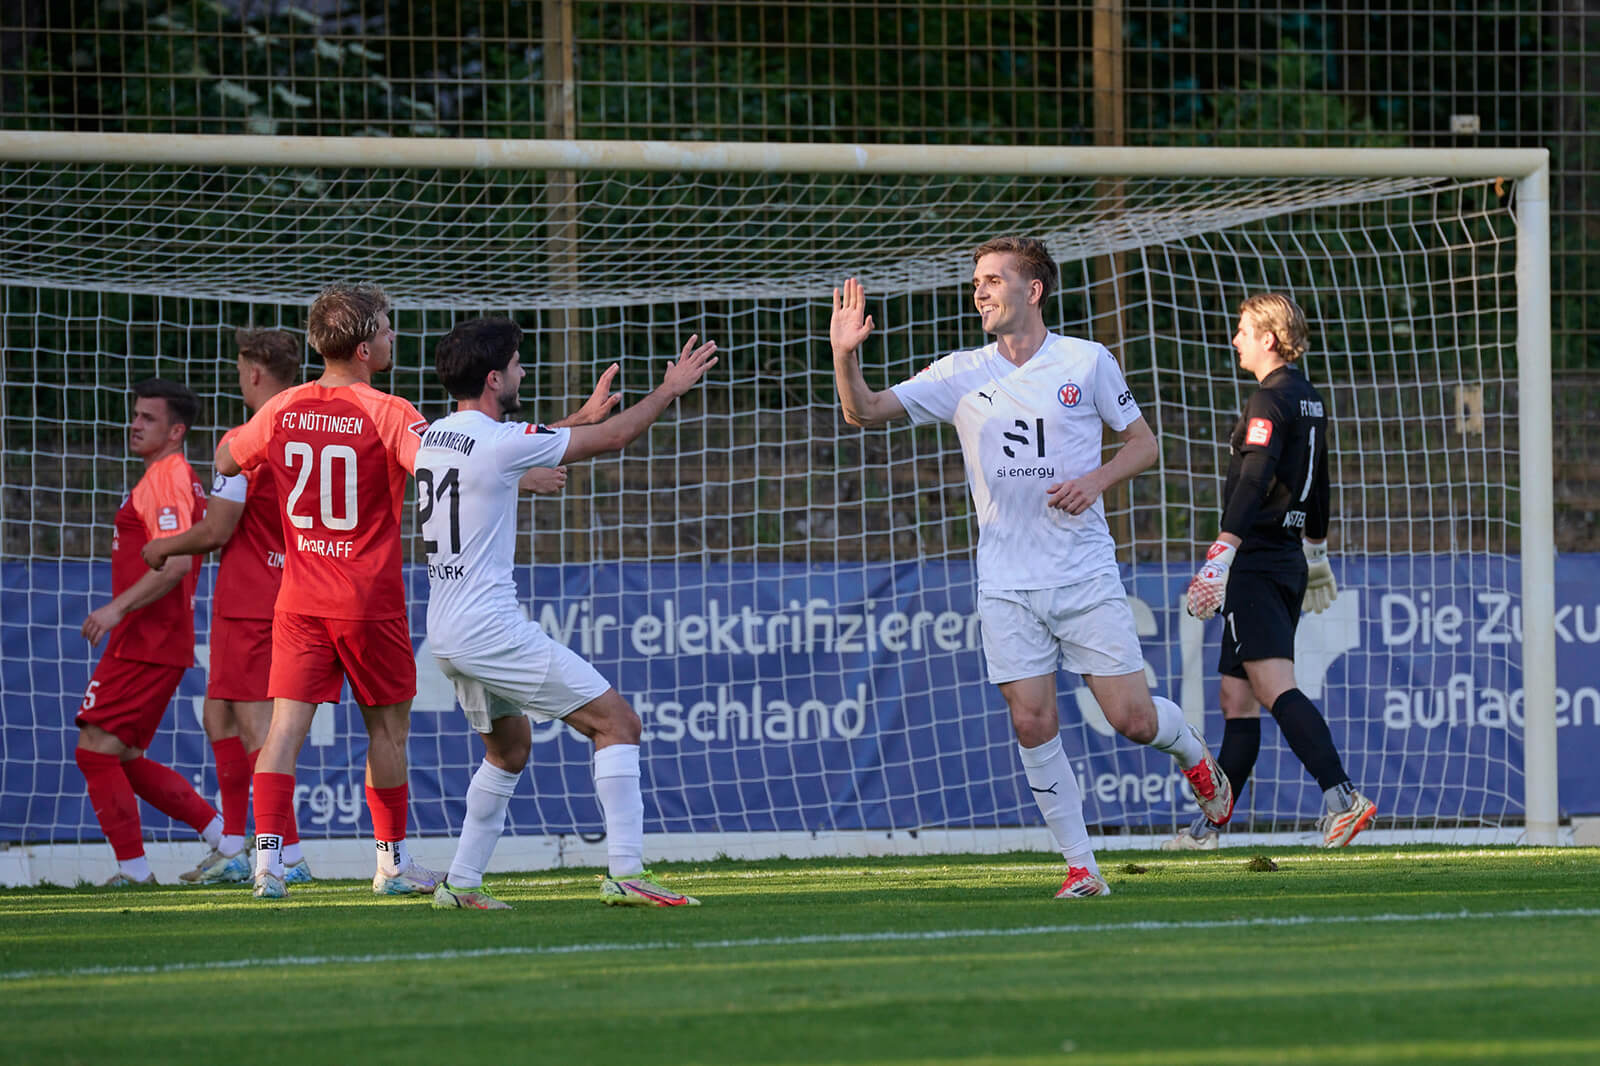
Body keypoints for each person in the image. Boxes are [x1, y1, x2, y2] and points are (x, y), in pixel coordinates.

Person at [829, 236, 1232, 900]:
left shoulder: (1087, 361)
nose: (979, 291)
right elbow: (863, 411)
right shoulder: (959, 371)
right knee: (1030, 722)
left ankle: (1192, 753)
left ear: (1033, 290)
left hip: (1082, 573)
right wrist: (846, 356)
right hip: (1006, 583)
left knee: (1132, 719)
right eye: (977, 281)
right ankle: (1082, 867)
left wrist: (1096, 480)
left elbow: (1144, 445)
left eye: (992, 280)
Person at [420, 317, 717, 910]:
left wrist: (573, 421)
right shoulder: (500, 442)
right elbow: (613, 440)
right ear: (493, 377)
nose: (524, 371)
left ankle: (461, 884)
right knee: (619, 724)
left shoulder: (434, 436)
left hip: (445, 631)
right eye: (519, 363)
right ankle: (627, 872)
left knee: (508, 750)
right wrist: (669, 389)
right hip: (489, 629)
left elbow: (502, 454)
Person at [216, 282, 439, 900]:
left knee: (284, 730)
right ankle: (391, 865)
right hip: (368, 601)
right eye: (389, 328)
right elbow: (445, 469)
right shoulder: (391, 411)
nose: (394, 336)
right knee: (388, 733)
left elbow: (228, 458)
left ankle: (268, 866)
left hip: (299, 598)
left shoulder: (284, 407)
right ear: (365, 347)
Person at [1171, 293, 1375, 850]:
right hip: (1283, 557)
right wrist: (1315, 550)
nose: (1235, 339)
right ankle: (1209, 830)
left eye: (1242, 330)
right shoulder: (1308, 397)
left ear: (1269, 337)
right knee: (1236, 703)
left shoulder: (1268, 399)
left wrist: (1222, 552)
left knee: (1272, 686)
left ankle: (1342, 797)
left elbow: (1255, 479)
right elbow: (1322, 480)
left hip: (1257, 561)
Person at [142, 329, 309, 885]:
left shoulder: (246, 440)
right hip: (272, 589)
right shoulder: (304, 430)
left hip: (252, 598)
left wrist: (164, 544)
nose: (240, 378)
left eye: (241, 370)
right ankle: (237, 842)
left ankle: (286, 852)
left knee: (259, 729)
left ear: (256, 373)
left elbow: (216, 529)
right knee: (218, 714)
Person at [74, 378, 225, 886]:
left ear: (177, 431)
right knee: (124, 756)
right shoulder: (167, 476)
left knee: (94, 750)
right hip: (150, 641)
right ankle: (226, 842)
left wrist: (116, 610)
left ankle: (135, 872)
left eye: (149, 418)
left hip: (147, 641)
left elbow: (178, 562)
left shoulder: (167, 477)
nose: (135, 425)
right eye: (136, 415)